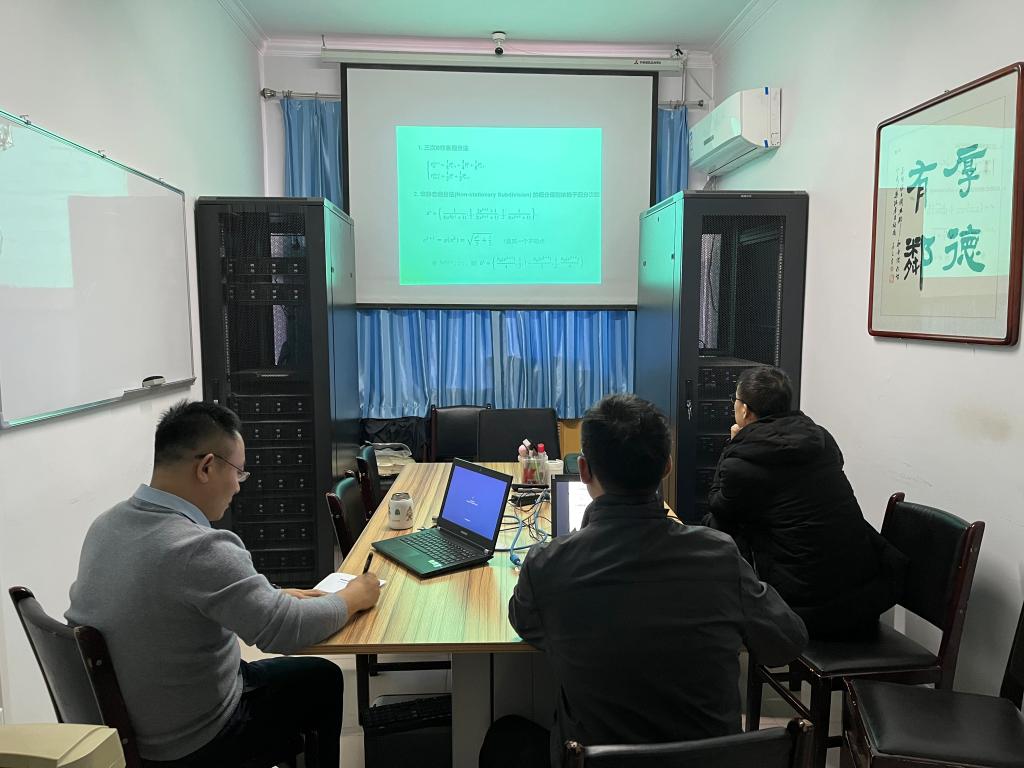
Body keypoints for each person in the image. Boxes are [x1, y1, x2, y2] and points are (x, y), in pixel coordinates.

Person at [480, 394, 808, 768]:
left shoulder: (548, 564)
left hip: (594, 759)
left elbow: (526, 624)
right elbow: (787, 643)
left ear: (584, 471)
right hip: (710, 762)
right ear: (667, 466)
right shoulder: (719, 555)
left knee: (505, 736)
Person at [66, 400, 380, 767]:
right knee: (323, 680)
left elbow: (169, 602)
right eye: (238, 472)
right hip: (194, 740)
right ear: (206, 467)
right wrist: (355, 596)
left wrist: (272, 597)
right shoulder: (199, 548)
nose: (238, 487)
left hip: (131, 731)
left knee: (307, 676)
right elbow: (286, 631)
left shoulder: (106, 525)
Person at [705, 366, 905, 639]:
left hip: (807, 608)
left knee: (718, 524)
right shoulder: (821, 437)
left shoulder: (743, 459)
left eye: (735, 401)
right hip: (865, 594)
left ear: (745, 410)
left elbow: (718, 504)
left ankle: (729, 630)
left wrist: (733, 445)